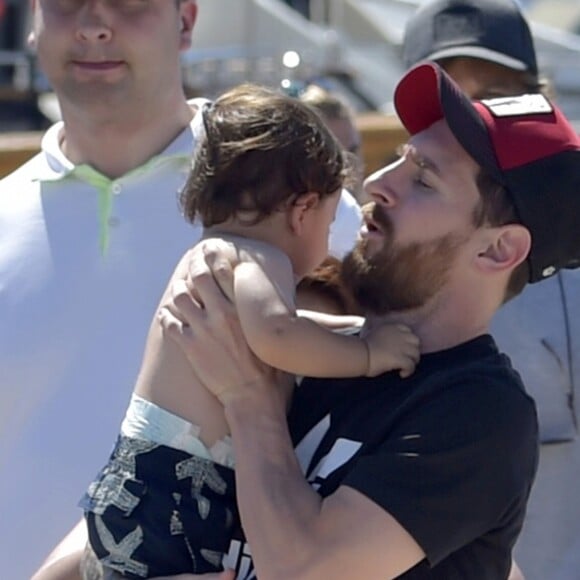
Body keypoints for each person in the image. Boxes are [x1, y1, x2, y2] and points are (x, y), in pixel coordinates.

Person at [153, 61, 580, 579]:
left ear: (499, 249)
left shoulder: (479, 413)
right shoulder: (309, 344)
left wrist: (248, 398)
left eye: (423, 179)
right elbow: (136, 502)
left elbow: (304, 570)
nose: (376, 183)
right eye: (397, 159)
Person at [0, 2, 363, 579]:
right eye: (66, 2)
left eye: (130, 2)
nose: (95, 24)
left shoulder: (314, 212)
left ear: (186, 20)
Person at [79, 84, 419, 579]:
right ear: (303, 210)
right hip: (175, 485)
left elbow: (284, 325)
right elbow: (278, 337)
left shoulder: (212, 257)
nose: (326, 249)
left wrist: (352, 328)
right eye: (328, 228)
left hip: (147, 480)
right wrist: (368, 353)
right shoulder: (256, 256)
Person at [402, 2, 580, 577]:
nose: (477, 115)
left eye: (499, 91)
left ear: (539, 96)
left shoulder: (572, 272)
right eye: (454, 97)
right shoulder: (357, 252)